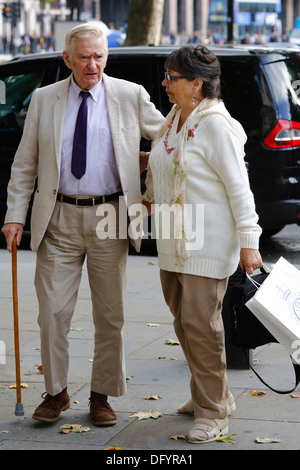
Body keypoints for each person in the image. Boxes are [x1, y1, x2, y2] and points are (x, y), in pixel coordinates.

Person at [2, 23, 164, 425]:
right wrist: (14, 216)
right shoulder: (43, 99)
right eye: (85, 57)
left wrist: (149, 176)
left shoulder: (130, 95)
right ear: (68, 59)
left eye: (100, 56)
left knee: (111, 315)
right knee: (52, 312)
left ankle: (101, 395)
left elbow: (168, 138)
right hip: (57, 216)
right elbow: (24, 165)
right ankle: (55, 393)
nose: (93, 64)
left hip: (110, 215)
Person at [143, 45, 263, 443]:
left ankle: (214, 413)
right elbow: (163, 163)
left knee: (202, 327)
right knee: (184, 324)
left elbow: (239, 187)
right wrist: (147, 195)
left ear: (197, 83)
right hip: (173, 240)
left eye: (171, 77)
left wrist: (250, 241)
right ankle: (212, 396)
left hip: (207, 243)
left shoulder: (215, 125)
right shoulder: (175, 117)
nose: (164, 83)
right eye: (166, 75)